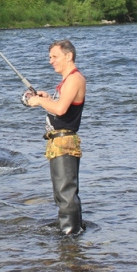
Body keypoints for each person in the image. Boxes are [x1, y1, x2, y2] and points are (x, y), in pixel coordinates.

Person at [23, 39, 85, 236]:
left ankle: (70, 235)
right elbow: (60, 110)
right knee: (62, 193)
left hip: (65, 142)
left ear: (68, 56)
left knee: (66, 193)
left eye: (54, 56)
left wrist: (40, 102)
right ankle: (73, 231)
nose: (51, 61)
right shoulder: (67, 81)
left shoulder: (74, 78)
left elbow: (61, 109)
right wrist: (47, 99)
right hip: (58, 142)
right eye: (50, 57)